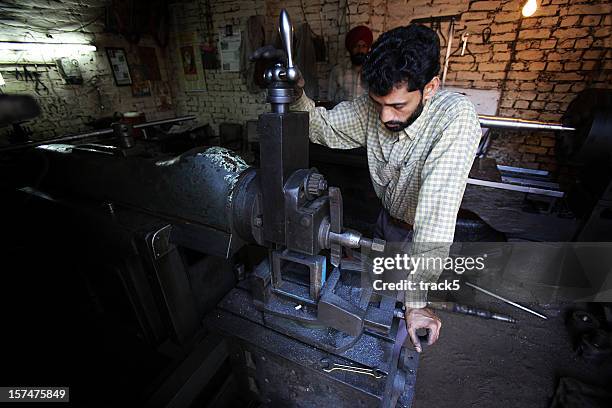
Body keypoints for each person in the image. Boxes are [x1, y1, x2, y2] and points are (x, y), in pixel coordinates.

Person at [292, 24, 482, 352]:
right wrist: (295, 94)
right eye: (377, 103)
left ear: (431, 87)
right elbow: (322, 128)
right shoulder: (377, 107)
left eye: (398, 106)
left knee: (394, 319)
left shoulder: (454, 119)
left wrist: (417, 302)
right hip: (386, 221)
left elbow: (434, 219)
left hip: (417, 236)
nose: (384, 116)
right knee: (374, 291)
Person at [327, 25, 373, 104]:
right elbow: (330, 100)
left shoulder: (373, 72)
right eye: (356, 46)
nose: (360, 50)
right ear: (350, 48)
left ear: (368, 48)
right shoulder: (337, 71)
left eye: (364, 46)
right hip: (343, 116)